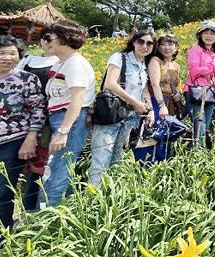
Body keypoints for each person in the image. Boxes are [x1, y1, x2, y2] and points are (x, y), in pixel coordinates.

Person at [0, 36, 46, 250]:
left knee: (1, 192)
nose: (7, 58)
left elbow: (38, 110)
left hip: (11, 142)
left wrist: (31, 139)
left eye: (12, 54)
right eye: (1, 53)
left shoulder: (26, 79)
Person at [38, 20, 96, 207]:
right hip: (63, 119)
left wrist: (63, 131)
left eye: (49, 38)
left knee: (58, 168)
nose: (45, 42)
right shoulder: (62, 63)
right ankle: (62, 209)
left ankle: (46, 218)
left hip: (69, 120)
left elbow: (77, 99)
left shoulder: (75, 64)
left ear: (64, 38)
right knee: (60, 166)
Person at [88, 30, 155, 185]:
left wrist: (149, 110)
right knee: (101, 159)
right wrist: (135, 103)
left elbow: (143, 89)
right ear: (133, 42)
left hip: (130, 116)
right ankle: (92, 200)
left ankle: (109, 196)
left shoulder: (143, 65)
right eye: (141, 42)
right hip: (111, 113)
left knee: (117, 158)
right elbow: (110, 84)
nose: (144, 46)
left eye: (149, 43)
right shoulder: (119, 58)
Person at [15, 26, 59, 211]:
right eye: (46, 38)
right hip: (22, 117)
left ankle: (32, 207)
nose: (49, 42)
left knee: (39, 164)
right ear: (40, 40)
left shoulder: (60, 61)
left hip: (47, 119)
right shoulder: (28, 60)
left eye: (53, 39)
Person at [136, 34, 182, 162]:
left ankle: (163, 163)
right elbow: (155, 84)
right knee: (151, 133)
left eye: (171, 44)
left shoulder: (175, 65)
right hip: (156, 101)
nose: (167, 47)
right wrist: (162, 106)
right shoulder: (155, 61)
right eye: (163, 44)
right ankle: (146, 164)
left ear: (176, 47)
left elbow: (175, 86)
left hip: (170, 103)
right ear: (158, 47)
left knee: (166, 135)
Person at [185, 21, 215, 146]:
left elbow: (213, 76)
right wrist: (212, 65)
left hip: (209, 93)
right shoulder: (195, 50)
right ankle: (196, 157)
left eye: (212, 33)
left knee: (204, 128)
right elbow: (194, 72)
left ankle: (197, 153)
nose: (209, 36)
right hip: (196, 92)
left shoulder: (212, 53)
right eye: (206, 33)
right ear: (200, 35)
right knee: (199, 128)